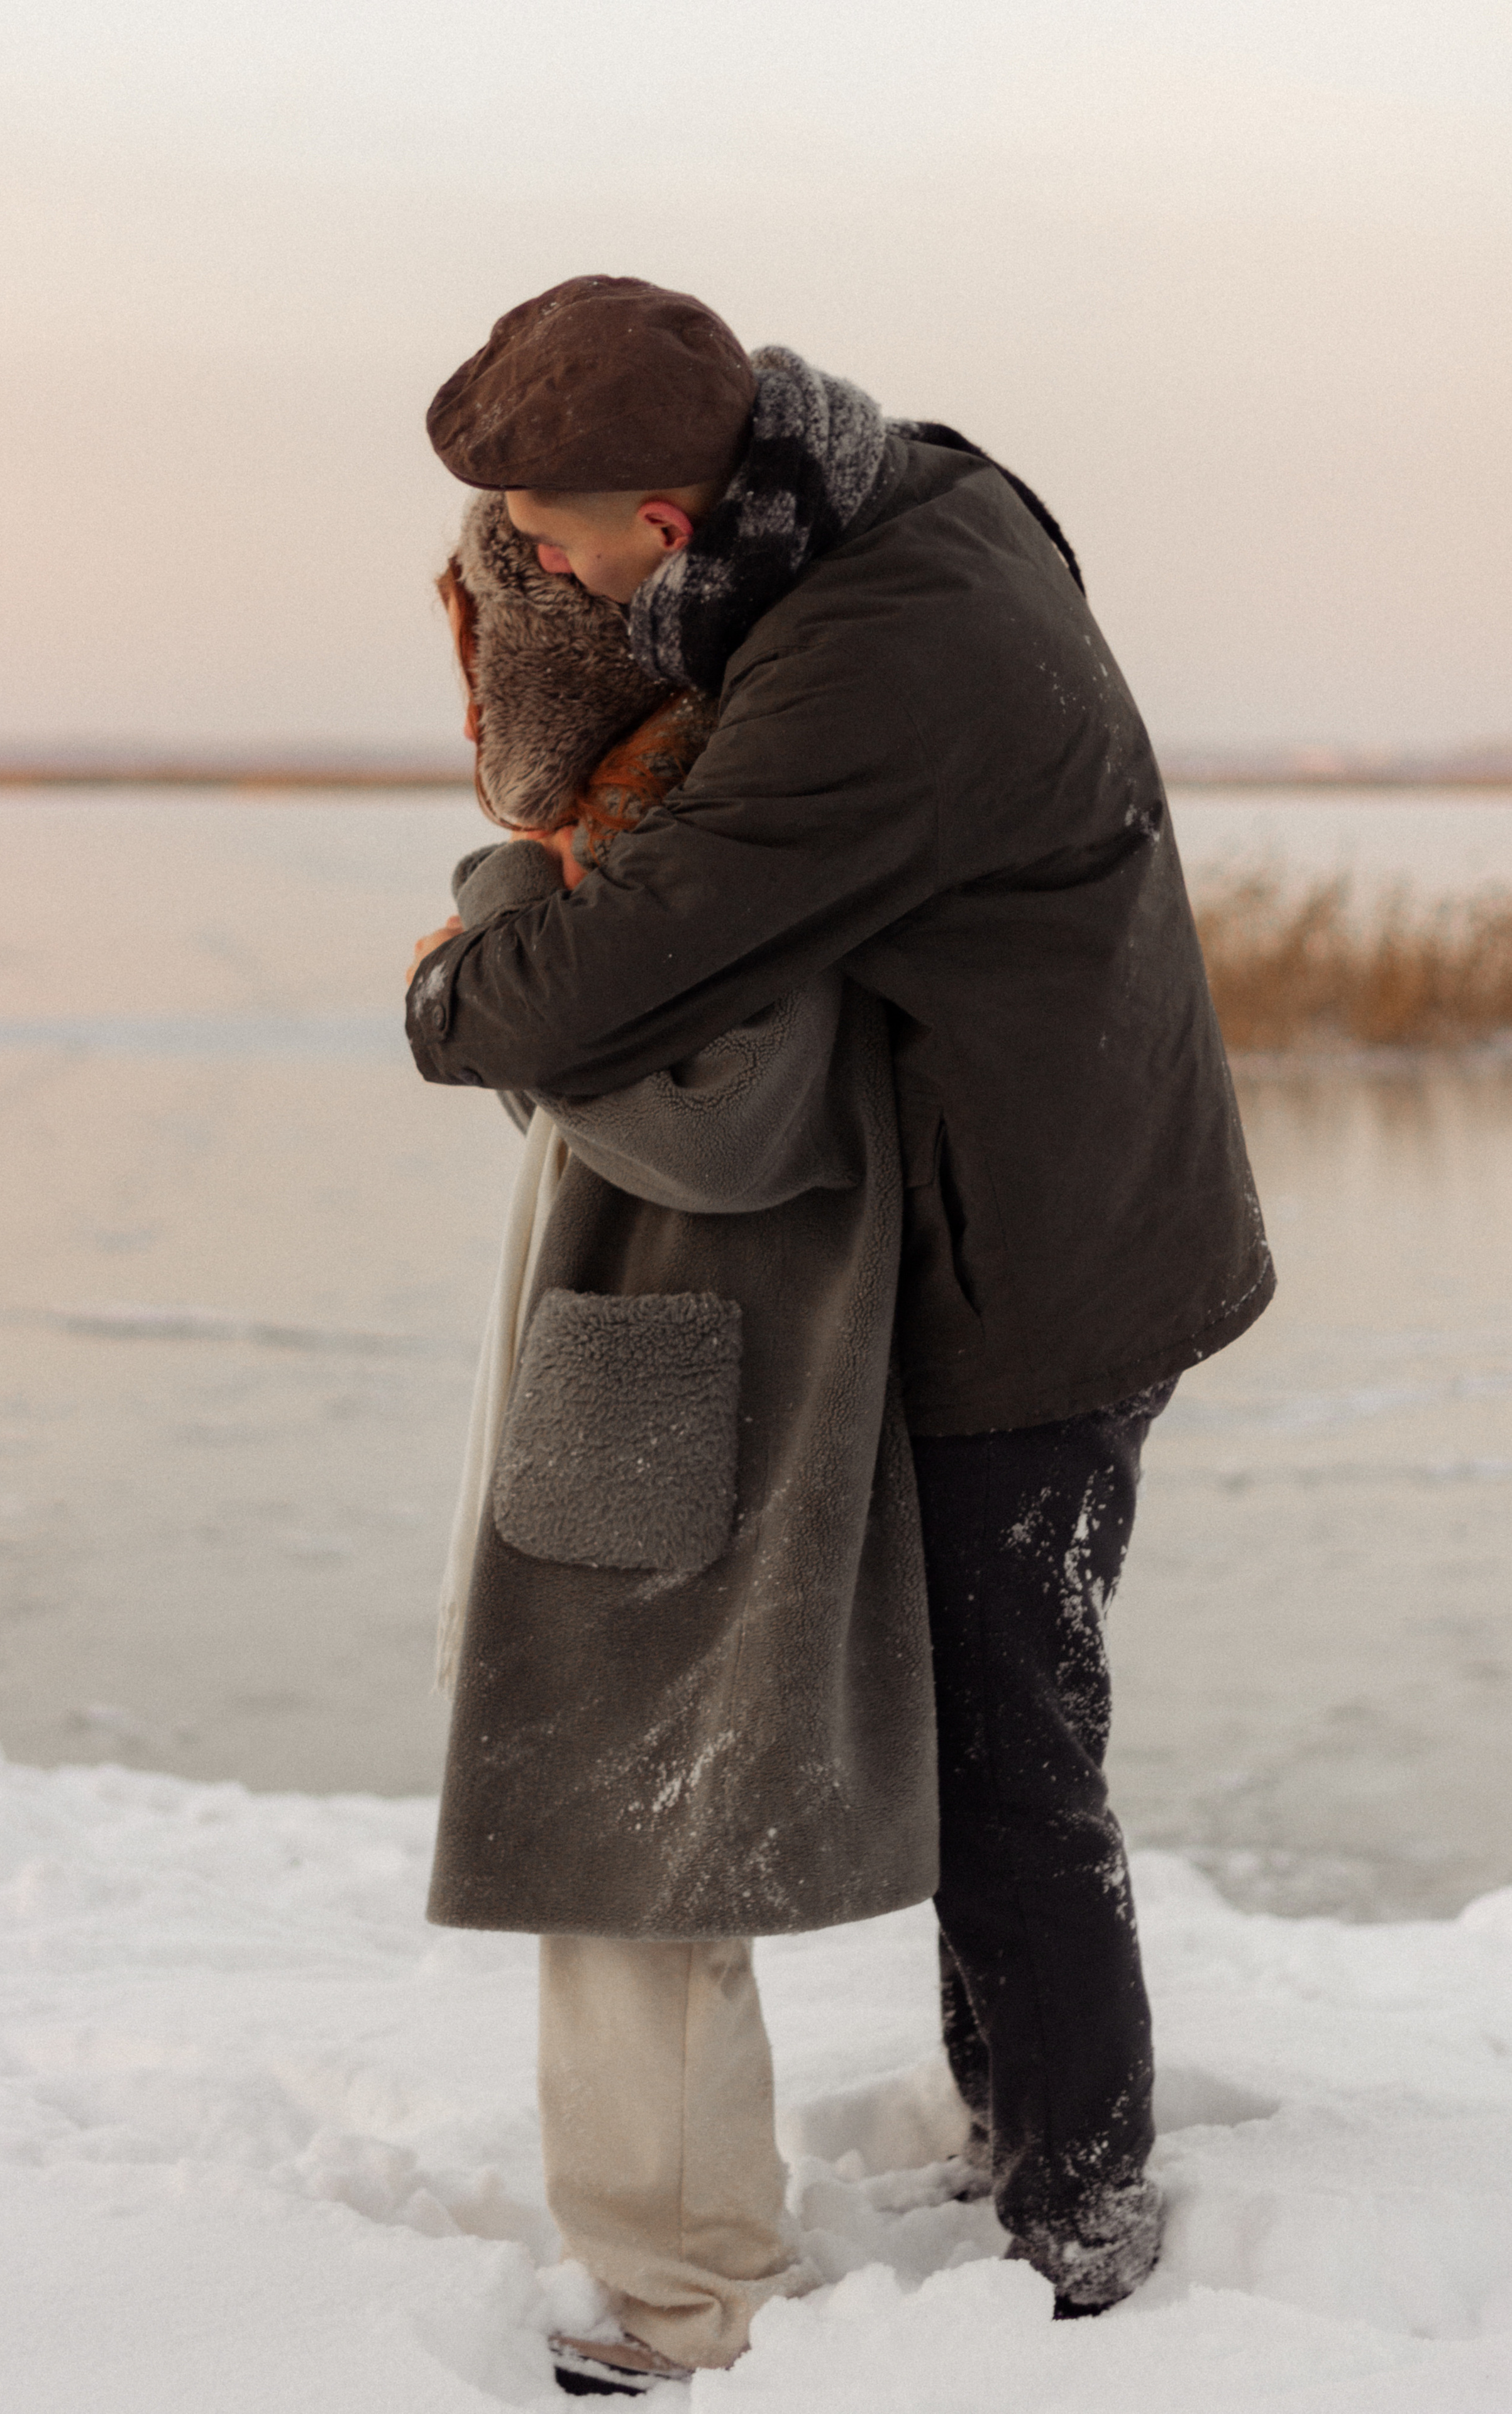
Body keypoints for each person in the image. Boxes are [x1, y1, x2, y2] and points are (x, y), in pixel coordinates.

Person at [407, 275, 1275, 2323]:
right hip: (1067, 1190)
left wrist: (477, 935)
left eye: (550, 530)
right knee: (1004, 1723)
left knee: (1008, 1750)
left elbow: (617, 985)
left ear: (681, 525)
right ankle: (1021, 2133)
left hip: (1041, 1264)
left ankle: (1079, 2226)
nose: (523, 559)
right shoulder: (899, 497)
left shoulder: (884, 660)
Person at [421, 487, 939, 2393]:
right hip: (656, 1375)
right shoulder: (663, 838)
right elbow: (610, 1110)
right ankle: (688, 2272)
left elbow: (724, 1129)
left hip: (691, 1393)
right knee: (644, 1846)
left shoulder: (698, 846)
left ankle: (679, 2300)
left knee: (627, 1844)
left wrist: (493, 941)